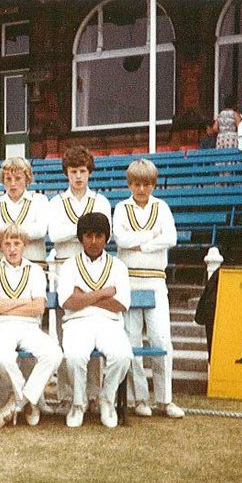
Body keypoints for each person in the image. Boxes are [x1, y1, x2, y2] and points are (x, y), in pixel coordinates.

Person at [113, 159, 184, 419]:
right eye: (136, 184)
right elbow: (121, 239)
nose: (141, 189)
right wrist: (152, 236)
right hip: (129, 281)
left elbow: (171, 238)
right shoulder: (122, 208)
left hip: (155, 280)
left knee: (161, 339)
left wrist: (141, 244)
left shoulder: (161, 207)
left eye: (146, 184)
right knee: (132, 341)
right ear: (129, 184)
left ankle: (165, 400)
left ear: (153, 184)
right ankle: (140, 399)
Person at [48, 145, 112, 416]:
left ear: (89, 173)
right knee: (66, 335)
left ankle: (93, 393)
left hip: (93, 267)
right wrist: (84, 229)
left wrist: (75, 231)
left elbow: (105, 232)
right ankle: (66, 394)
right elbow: (54, 234)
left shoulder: (100, 201)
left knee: (92, 328)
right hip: (64, 267)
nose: (78, 176)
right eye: (73, 171)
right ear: (66, 172)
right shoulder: (56, 202)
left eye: (82, 171)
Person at [0, 224, 63, 429]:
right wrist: (23, 302)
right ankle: (28, 402)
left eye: (16, 243)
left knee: (53, 353)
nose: (12, 249)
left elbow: (38, 307)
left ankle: (20, 400)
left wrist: (5, 304)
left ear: (25, 245)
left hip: (29, 327)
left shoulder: (35, 270)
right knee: (2, 359)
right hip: (0, 327)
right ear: (1, 246)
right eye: (7, 243)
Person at [57, 212, 132, 429]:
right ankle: (78, 404)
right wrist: (104, 293)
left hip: (110, 323)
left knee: (122, 356)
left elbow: (121, 304)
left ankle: (106, 400)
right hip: (77, 322)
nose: (93, 241)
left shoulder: (118, 266)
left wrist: (84, 297)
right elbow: (68, 302)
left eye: (99, 236)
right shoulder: (69, 265)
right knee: (74, 356)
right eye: (88, 236)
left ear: (106, 238)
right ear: (81, 238)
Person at [0, 156, 49, 264]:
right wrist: (24, 234)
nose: (13, 183)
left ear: (27, 179)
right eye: (8, 179)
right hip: (1, 265)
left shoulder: (39, 201)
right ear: (3, 180)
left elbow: (40, 230)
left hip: (33, 264)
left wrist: (5, 236)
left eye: (18, 178)